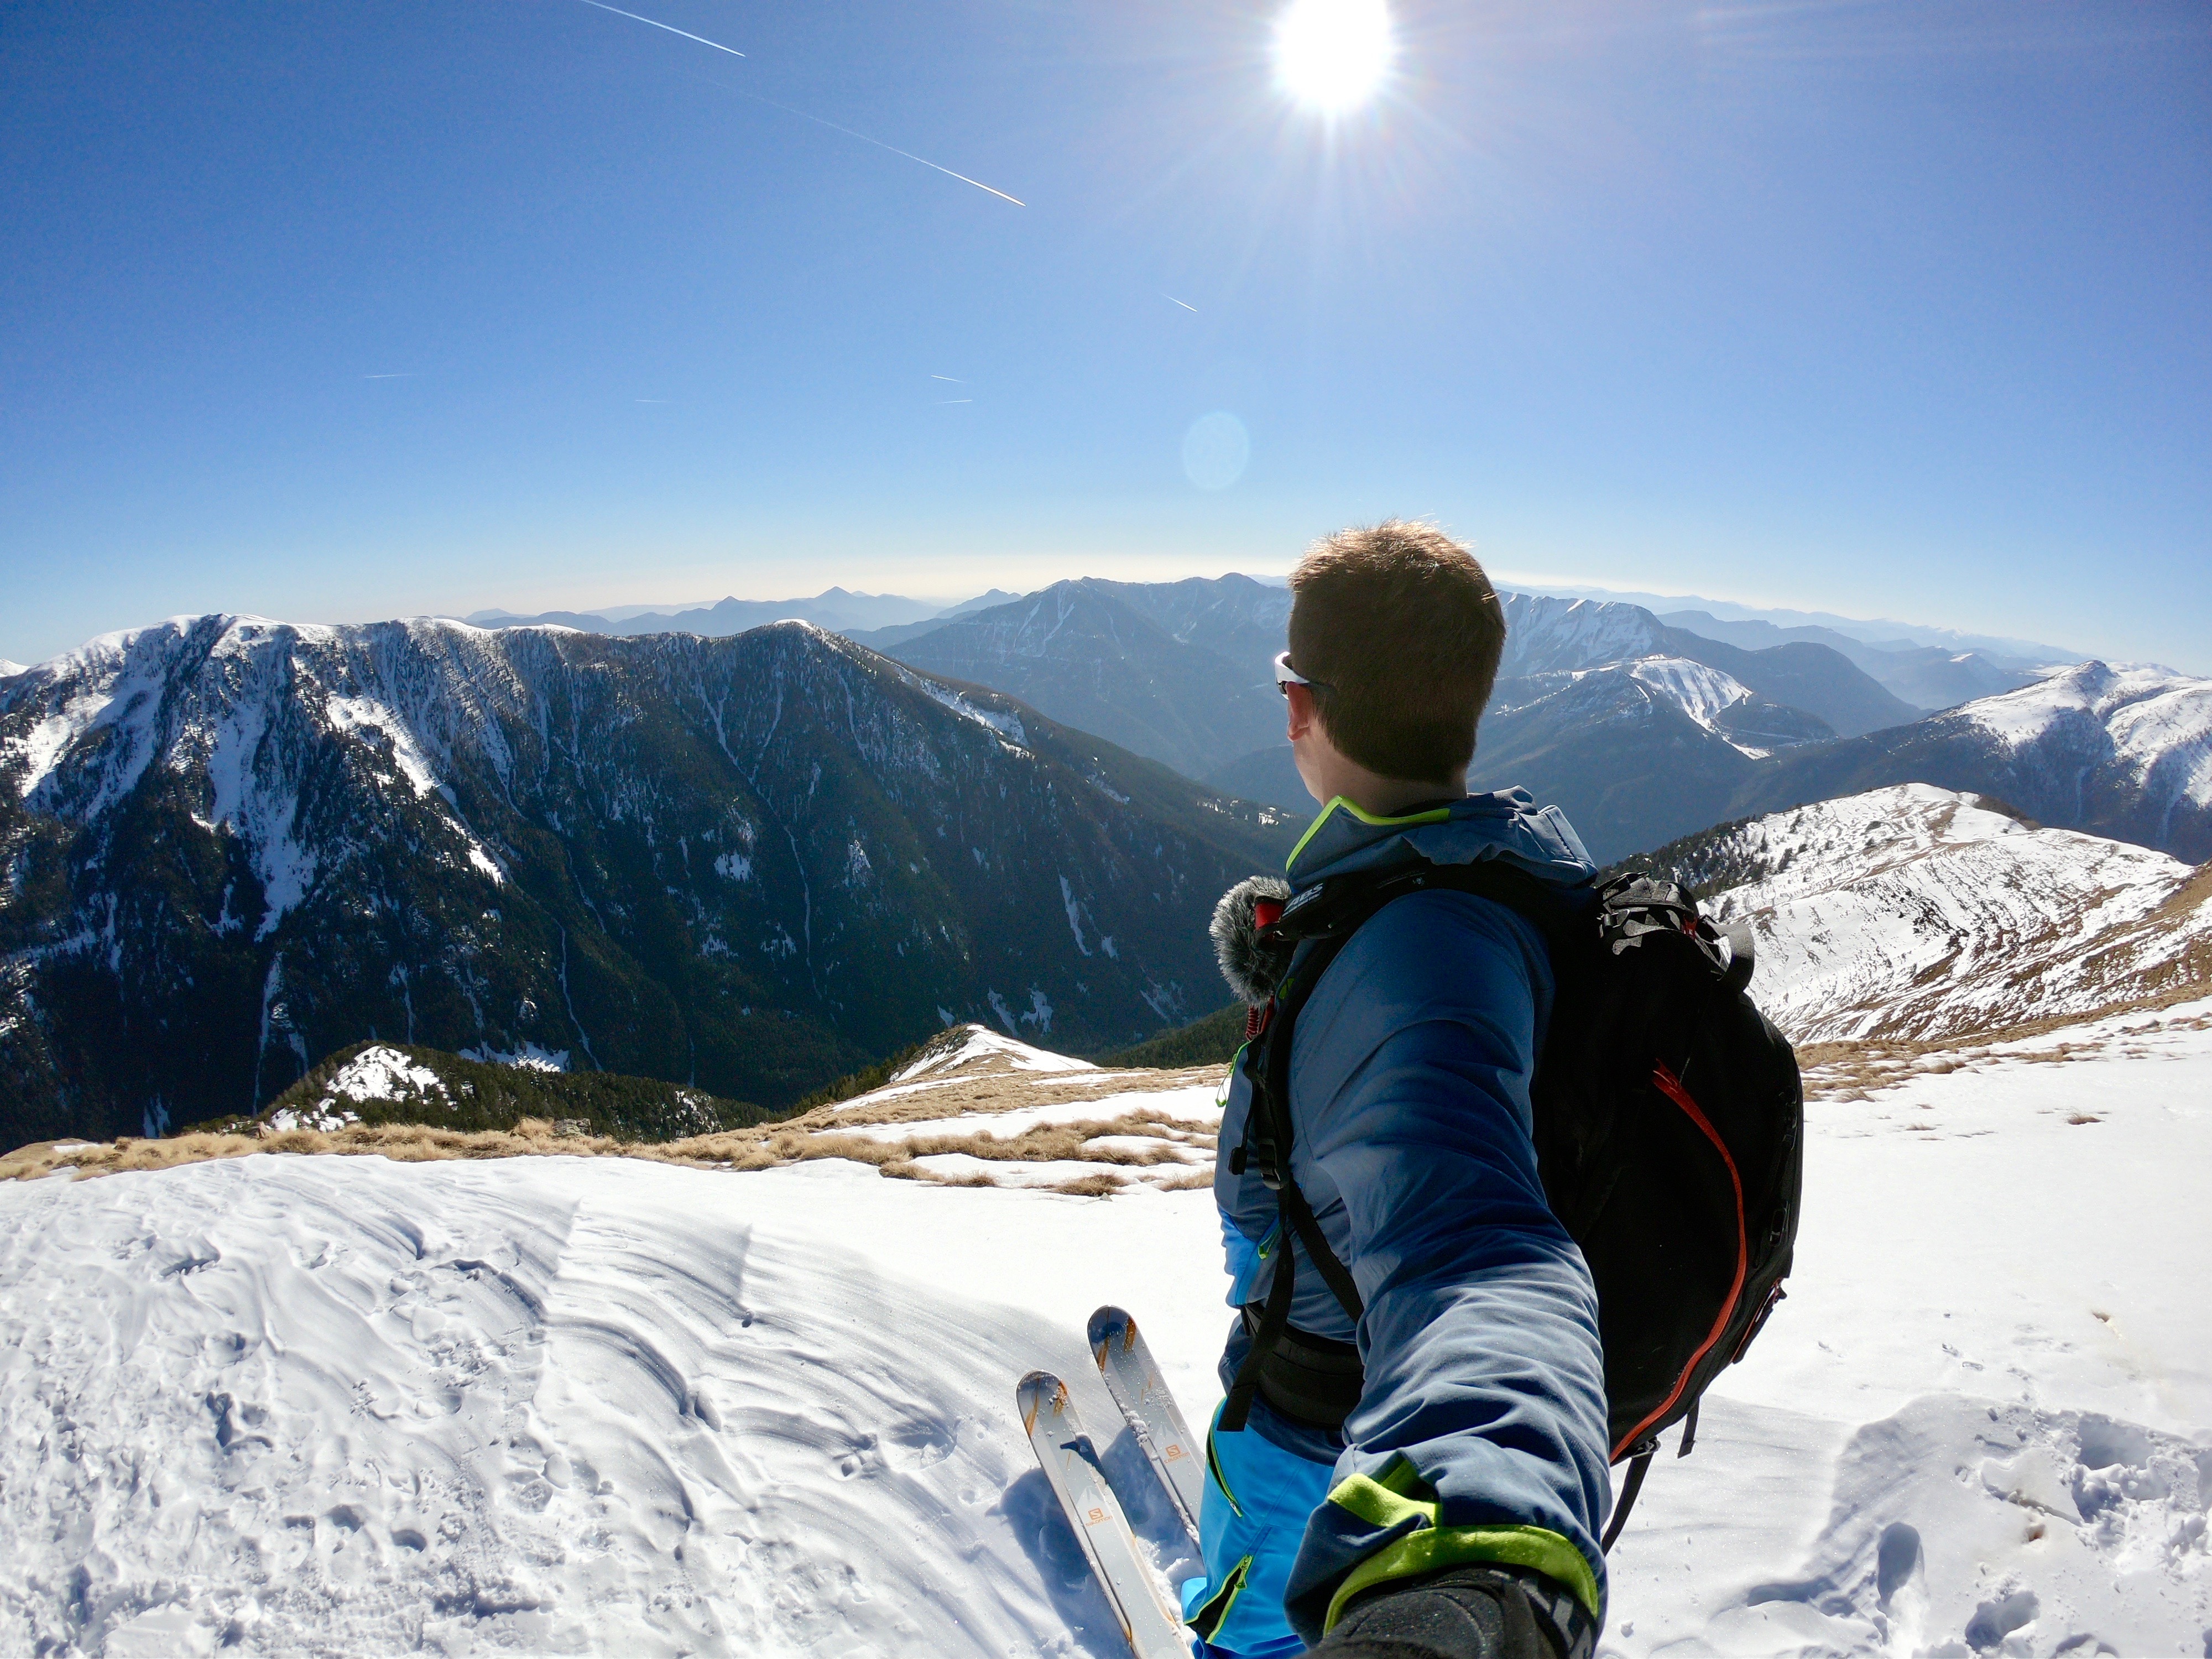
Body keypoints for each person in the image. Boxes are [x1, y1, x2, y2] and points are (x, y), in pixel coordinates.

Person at [1187, 521, 1609, 1659]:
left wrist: (1474, 1558)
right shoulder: (1473, 880)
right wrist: (1307, 964)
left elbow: (1480, 1257)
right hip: (1342, 1363)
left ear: (1299, 706)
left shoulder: (1421, 962)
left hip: (1329, 1434)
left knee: (1250, 1629)